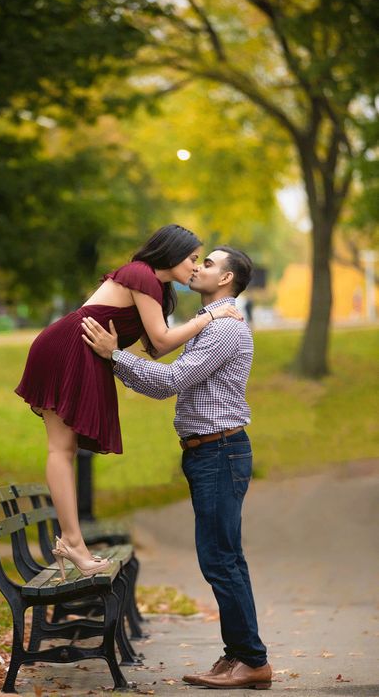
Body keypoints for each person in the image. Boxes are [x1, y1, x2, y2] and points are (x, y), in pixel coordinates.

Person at [81, 246, 272, 690]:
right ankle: (239, 653)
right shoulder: (210, 324)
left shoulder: (226, 329)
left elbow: (169, 382)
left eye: (208, 264)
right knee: (222, 558)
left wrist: (115, 356)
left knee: (221, 559)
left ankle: (252, 660)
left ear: (225, 279)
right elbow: (169, 377)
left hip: (220, 452)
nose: (197, 267)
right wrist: (119, 358)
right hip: (209, 452)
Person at [15, 226, 242, 579]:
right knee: (60, 450)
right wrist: (210, 317)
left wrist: (204, 323)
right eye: (193, 259)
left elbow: (155, 347)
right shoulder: (141, 274)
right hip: (67, 348)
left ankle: (72, 543)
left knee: (64, 450)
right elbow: (165, 342)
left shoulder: (156, 288)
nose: (195, 267)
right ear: (172, 253)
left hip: (83, 352)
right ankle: (73, 543)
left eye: (200, 261)